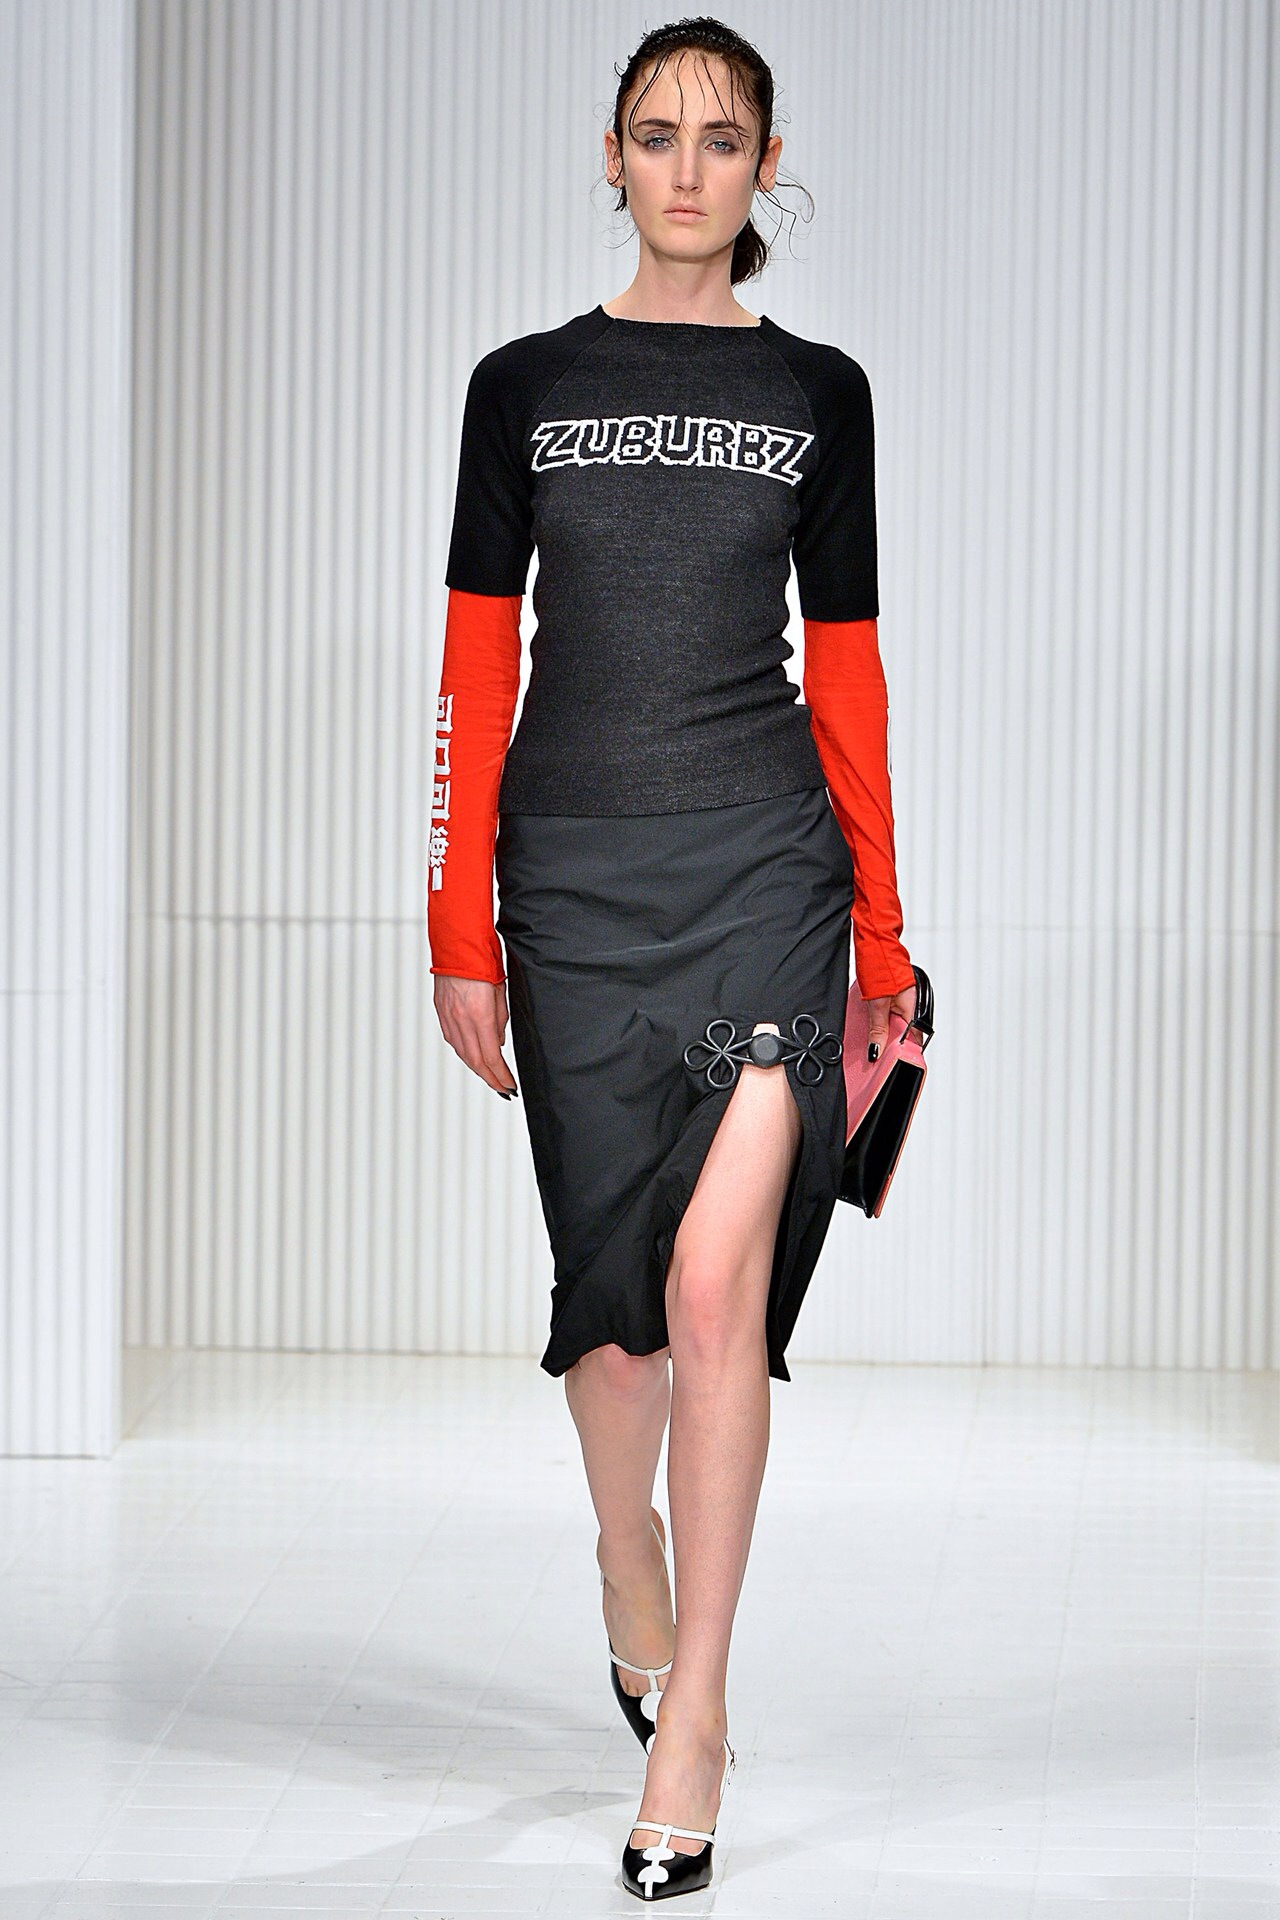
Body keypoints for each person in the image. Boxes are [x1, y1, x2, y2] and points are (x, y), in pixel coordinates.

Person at [428, 16, 917, 1902]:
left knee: (719, 1294)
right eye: (658, 134)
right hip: (571, 883)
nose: (690, 167)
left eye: (723, 138)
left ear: (766, 163)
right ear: (615, 155)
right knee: (616, 1323)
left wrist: (881, 926)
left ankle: (692, 1710)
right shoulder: (524, 387)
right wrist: (460, 922)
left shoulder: (819, 394)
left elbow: (849, 674)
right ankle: (625, 1558)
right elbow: (477, 662)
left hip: (764, 870)